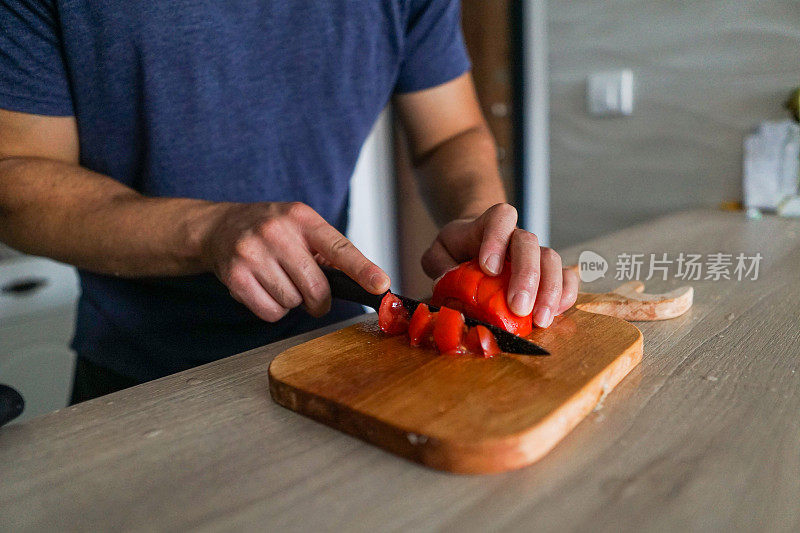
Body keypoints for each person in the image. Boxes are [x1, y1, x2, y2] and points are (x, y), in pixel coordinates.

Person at [0, 0, 578, 403]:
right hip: (138, 378)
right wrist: (208, 230)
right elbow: (15, 182)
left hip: (332, 353)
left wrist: (482, 219)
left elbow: (449, 134)